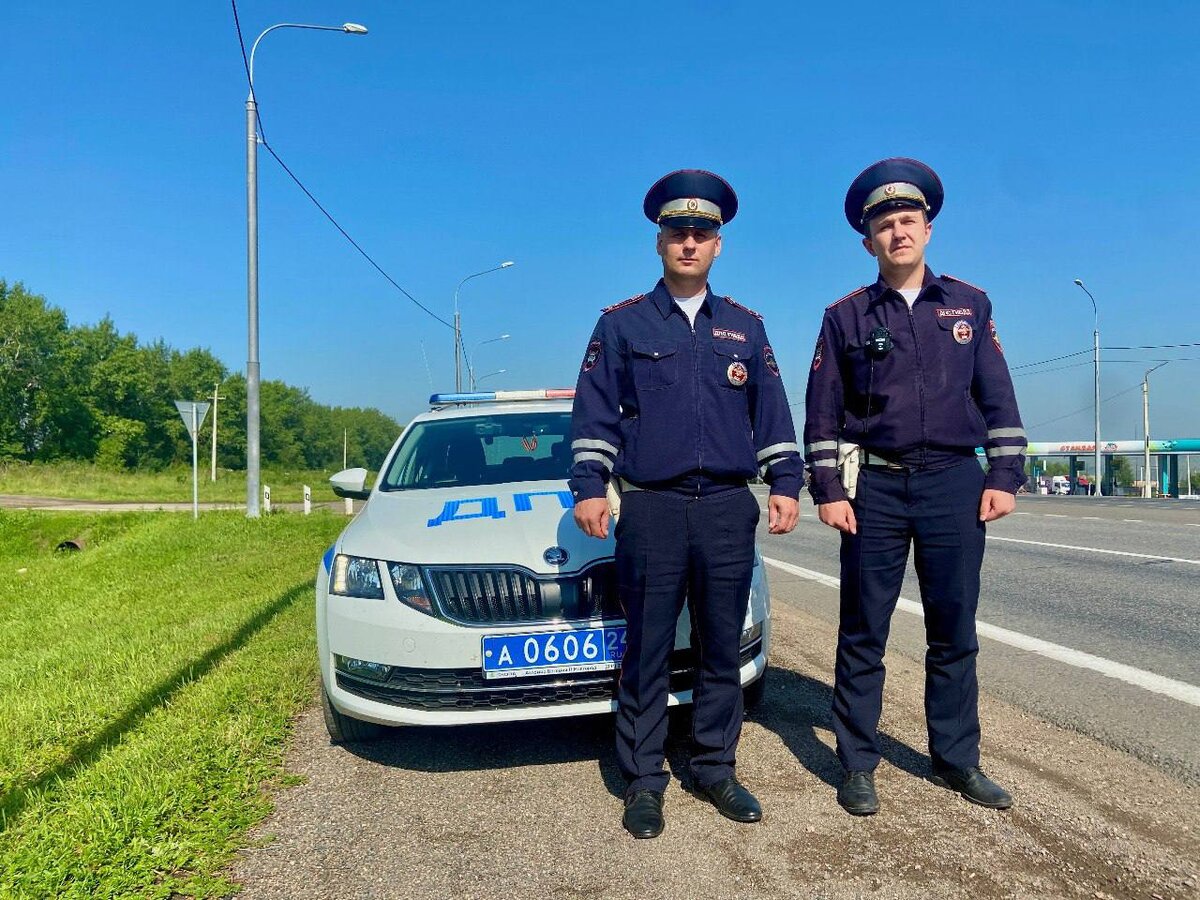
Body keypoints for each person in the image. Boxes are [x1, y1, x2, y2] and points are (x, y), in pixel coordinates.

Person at [569, 169, 802, 839]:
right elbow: (594, 413)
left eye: (702, 233)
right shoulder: (621, 324)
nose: (689, 243)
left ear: (718, 245)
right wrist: (590, 486)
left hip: (728, 506)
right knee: (644, 646)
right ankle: (644, 781)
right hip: (654, 508)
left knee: (720, 646)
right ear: (660, 243)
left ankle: (715, 767)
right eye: (678, 233)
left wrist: (785, 484)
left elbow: (773, 415)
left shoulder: (745, 328)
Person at [803, 158, 1026, 816]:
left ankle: (956, 760)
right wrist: (828, 490)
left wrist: (1005, 475)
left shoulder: (969, 305)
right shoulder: (843, 317)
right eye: (886, 225)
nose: (899, 233)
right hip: (876, 485)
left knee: (954, 630)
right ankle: (858, 765)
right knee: (863, 630)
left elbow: (998, 396)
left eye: (909, 221)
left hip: (956, 484)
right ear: (867, 241)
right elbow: (821, 410)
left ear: (928, 228)